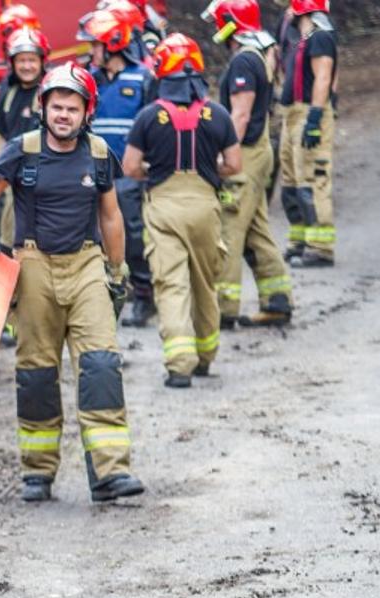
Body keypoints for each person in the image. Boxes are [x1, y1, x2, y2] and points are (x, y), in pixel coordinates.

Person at [0, 64, 145, 504]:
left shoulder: (100, 152)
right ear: (43, 107)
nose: (63, 115)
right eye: (56, 106)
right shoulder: (21, 151)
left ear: (87, 113)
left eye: (72, 108)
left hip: (87, 265)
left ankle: (110, 472)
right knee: (37, 375)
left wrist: (117, 271)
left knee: (101, 365)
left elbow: (110, 215)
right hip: (33, 266)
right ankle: (38, 472)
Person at [122, 34, 242, 388]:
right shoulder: (217, 114)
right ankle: (206, 356)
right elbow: (234, 164)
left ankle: (179, 365)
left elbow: (129, 167)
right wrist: (208, 168)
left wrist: (154, 171)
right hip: (205, 206)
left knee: (172, 285)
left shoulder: (148, 116)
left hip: (164, 208)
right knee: (205, 283)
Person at [205, 0, 293, 326]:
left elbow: (240, 115)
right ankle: (277, 299)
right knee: (256, 231)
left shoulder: (243, 61)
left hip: (245, 155)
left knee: (228, 231)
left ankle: (222, 309)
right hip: (258, 153)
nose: (216, 27)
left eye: (220, 21)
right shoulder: (257, 53)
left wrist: (223, 154)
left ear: (231, 22)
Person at [80, 4, 157, 328]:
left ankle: (143, 295)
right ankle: (103, 297)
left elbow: (154, 125)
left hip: (128, 175)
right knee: (92, 238)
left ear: (112, 43)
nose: (91, 50)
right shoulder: (86, 80)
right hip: (93, 173)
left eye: (94, 44)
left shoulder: (143, 78)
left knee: (134, 237)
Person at [278, 0, 337, 266]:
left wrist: (314, 119)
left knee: (312, 181)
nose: (287, 11)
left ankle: (321, 247)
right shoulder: (301, 38)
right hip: (291, 115)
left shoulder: (320, 37)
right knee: (292, 184)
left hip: (307, 114)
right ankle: (299, 241)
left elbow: (324, 78)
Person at [0, 27, 48, 242]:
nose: (27, 66)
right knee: (10, 237)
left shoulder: (50, 92)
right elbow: (1, 137)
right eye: (21, 60)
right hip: (12, 178)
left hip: (43, 179)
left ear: (42, 61)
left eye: (32, 60)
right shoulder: (8, 93)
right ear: (12, 63)